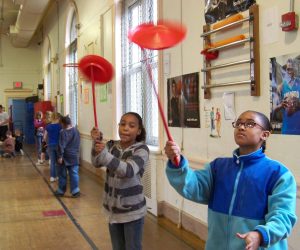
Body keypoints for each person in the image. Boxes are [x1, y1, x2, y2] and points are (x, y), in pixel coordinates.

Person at [164, 110, 297, 250]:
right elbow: (193, 187)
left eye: (250, 124)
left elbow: (284, 217)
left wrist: (260, 235)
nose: (241, 127)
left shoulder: (278, 174)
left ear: (265, 134)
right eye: (238, 123)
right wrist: (176, 162)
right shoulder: (217, 167)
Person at [91, 112, 149, 250]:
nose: (126, 128)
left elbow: (128, 170)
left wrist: (105, 154)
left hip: (133, 212)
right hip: (113, 210)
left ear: (139, 131)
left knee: (132, 247)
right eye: (122, 124)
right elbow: (96, 162)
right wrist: (97, 143)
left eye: (131, 125)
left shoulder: (141, 150)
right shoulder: (111, 145)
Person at [55, 115, 81, 198]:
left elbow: (61, 145)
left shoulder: (63, 132)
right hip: (74, 156)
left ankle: (61, 191)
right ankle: (75, 191)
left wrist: (60, 156)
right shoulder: (76, 131)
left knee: (62, 174)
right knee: (74, 173)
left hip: (65, 156)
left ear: (63, 124)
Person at [274, 58, 300, 134]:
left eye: (292, 69)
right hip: (286, 129)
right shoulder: (280, 87)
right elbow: (273, 110)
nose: (290, 72)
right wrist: (281, 105)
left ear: (296, 69)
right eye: (288, 69)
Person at [44, 112, 62, 182]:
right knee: (58, 162)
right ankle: (58, 176)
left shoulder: (48, 126)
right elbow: (62, 136)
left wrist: (46, 143)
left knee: (52, 162)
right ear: (58, 118)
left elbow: (44, 137)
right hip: (58, 145)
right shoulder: (60, 126)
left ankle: (52, 177)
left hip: (50, 145)